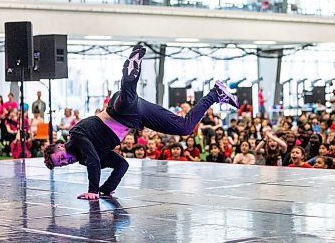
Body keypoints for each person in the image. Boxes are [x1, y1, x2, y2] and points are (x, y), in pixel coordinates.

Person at [43, 44, 239, 200]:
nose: (65, 161)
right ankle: (216, 93)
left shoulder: (76, 137)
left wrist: (92, 190)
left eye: (61, 158)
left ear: (61, 146)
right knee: (185, 127)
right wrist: (105, 190)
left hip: (119, 111)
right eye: (62, 165)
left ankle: (130, 68)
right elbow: (120, 165)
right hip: (138, 116)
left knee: (127, 98)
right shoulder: (85, 159)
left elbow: (94, 160)